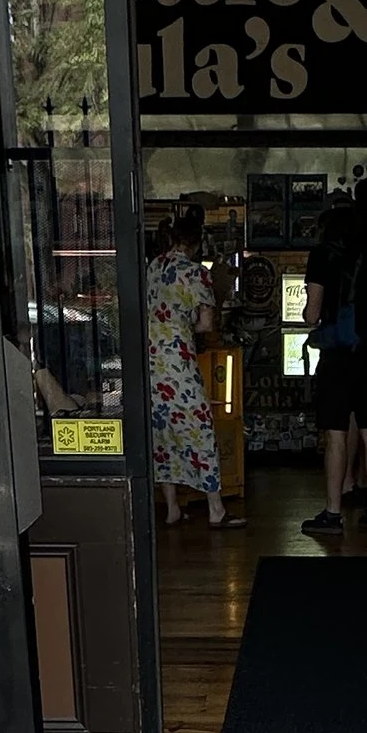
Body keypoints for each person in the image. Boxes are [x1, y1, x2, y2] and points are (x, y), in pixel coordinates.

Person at [302, 175, 367, 535]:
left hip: (338, 355)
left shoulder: (322, 255)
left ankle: (333, 513)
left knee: (336, 434)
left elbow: (312, 314)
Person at [144, 205, 241, 529]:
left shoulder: (153, 267)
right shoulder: (196, 272)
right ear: (197, 243)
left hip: (151, 361)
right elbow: (206, 324)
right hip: (179, 362)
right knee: (200, 429)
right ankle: (216, 510)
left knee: (163, 433)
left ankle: (172, 508)